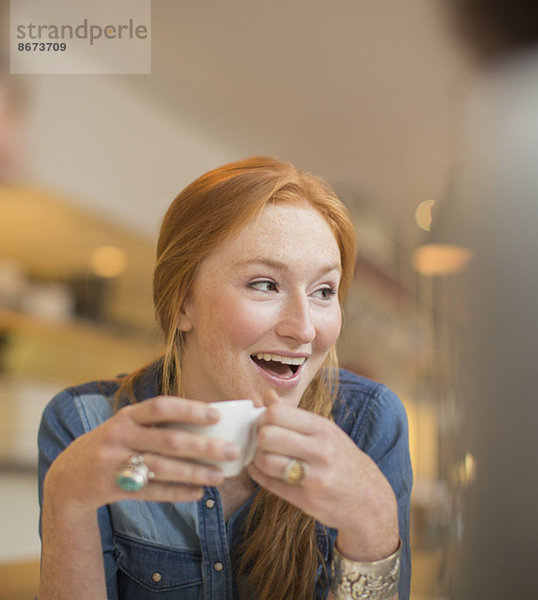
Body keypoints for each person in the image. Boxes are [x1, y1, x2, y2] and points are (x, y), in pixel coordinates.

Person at [37, 157, 412, 600]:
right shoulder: (85, 426)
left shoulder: (367, 424)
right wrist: (66, 498)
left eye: (324, 291)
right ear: (182, 304)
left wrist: (374, 525)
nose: (305, 328)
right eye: (265, 284)